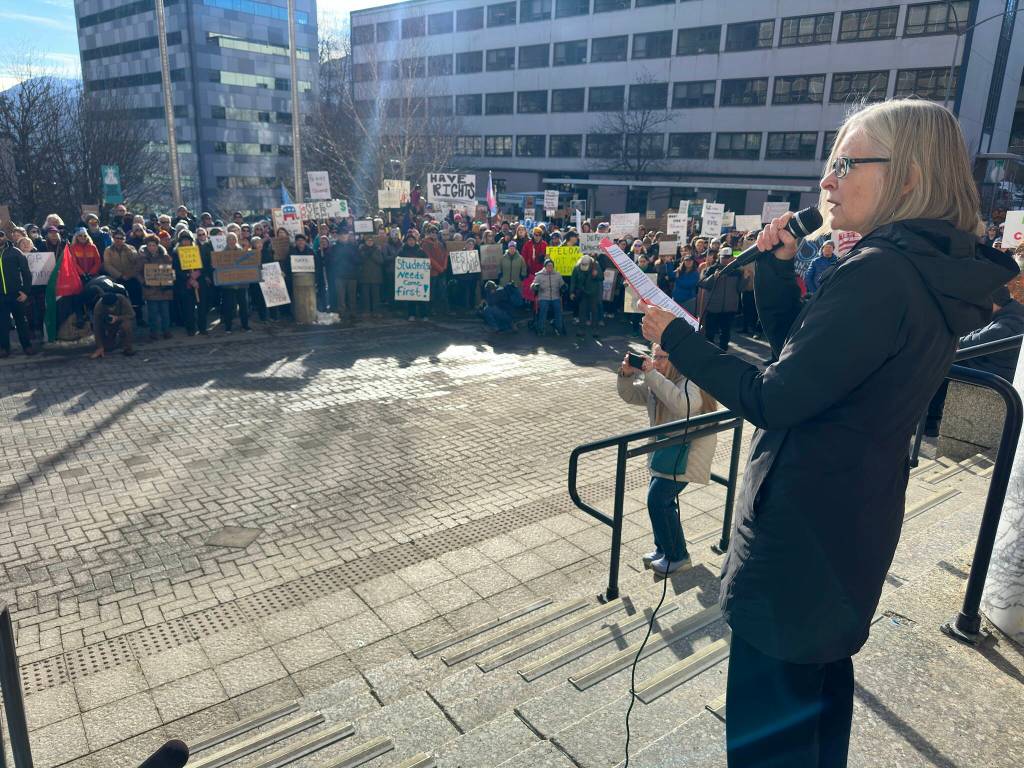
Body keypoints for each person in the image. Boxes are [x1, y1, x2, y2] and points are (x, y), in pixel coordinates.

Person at [640, 99, 1017, 767]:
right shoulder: (924, 267)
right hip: (851, 524)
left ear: (906, 175)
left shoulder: (878, 272)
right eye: (830, 165)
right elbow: (813, 371)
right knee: (814, 713)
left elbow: (775, 397)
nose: (827, 182)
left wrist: (680, 339)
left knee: (770, 736)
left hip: (800, 542)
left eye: (847, 163)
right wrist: (780, 273)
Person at [617, 345, 717, 574]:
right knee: (662, 501)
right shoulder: (660, 379)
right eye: (654, 356)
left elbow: (682, 406)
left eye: (662, 357)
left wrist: (651, 374)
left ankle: (678, 556)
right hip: (668, 450)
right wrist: (625, 374)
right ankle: (664, 548)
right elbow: (631, 395)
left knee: (658, 500)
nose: (657, 361)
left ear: (677, 360)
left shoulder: (690, 381)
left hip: (688, 452)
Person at [925, 285, 1024, 436]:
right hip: (993, 366)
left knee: (946, 365)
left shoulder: (1008, 324)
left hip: (999, 375)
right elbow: (975, 334)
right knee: (949, 362)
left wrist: (950, 340)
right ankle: (929, 421)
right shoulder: (1009, 314)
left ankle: (929, 423)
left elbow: (972, 341)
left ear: (993, 303)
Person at [698, 246, 742, 350]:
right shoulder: (711, 269)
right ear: (719, 257)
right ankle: (709, 352)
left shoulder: (737, 271)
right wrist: (713, 277)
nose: (726, 260)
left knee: (725, 333)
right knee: (710, 333)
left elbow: (740, 288)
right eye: (724, 257)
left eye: (728, 257)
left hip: (729, 308)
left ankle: (723, 352)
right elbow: (702, 284)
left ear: (732, 258)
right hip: (713, 307)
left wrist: (746, 277)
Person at [0, 231, 35, 357]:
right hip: (0, 295)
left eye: (1, 235)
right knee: (2, 323)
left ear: (5, 237)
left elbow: (26, 273)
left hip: (16, 293)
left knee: (21, 321)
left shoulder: (15, 252)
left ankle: (27, 345)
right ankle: (4, 348)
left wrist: (25, 291)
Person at [103, 228, 143, 319]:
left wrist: (128, 251)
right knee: (119, 298)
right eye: (117, 238)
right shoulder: (108, 250)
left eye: (121, 238)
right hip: (116, 278)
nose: (119, 240)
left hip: (130, 277)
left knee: (136, 296)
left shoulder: (131, 248)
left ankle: (139, 318)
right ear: (113, 238)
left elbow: (136, 262)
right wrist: (120, 275)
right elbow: (108, 265)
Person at [141, 234, 174, 340]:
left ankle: (166, 331)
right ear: (146, 246)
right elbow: (137, 272)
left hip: (163, 289)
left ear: (157, 245)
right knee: (152, 312)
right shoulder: (142, 257)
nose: (152, 247)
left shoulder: (165, 256)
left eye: (153, 245)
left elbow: (170, 269)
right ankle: (154, 332)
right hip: (150, 290)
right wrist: (143, 281)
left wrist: (169, 282)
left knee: (165, 312)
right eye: (149, 245)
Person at [219, 233, 252, 333]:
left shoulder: (242, 252)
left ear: (236, 240)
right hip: (228, 285)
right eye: (229, 239)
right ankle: (228, 327)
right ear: (226, 241)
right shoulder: (221, 254)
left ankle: (245, 325)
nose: (231, 241)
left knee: (244, 306)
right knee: (228, 307)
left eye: (233, 239)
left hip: (242, 284)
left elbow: (248, 265)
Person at [90, 291, 135, 358]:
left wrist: (117, 318)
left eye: (112, 306)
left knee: (126, 326)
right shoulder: (98, 307)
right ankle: (111, 339)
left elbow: (131, 315)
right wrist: (100, 347)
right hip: (107, 324)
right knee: (108, 347)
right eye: (108, 307)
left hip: (122, 321)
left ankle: (128, 348)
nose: (110, 309)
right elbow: (97, 327)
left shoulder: (122, 299)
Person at [398, 231, 429, 321]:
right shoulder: (402, 251)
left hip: (420, 279)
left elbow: (426, 261)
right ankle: (411, 314)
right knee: (411, 298)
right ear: (406, 241)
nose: (411, 242)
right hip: (408, 279)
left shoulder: (421, 251)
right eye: (409, 240)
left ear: (415, 241)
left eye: (412, 240)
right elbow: (398, 261)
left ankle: (424, 315)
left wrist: (428, 266)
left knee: (422, 297)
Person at [530, 258, 566, 336]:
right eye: (548, 266)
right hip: (543, 297)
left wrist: (564, 287)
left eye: (551, 266)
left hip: (555, 296)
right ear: (545, 267)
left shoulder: (557, 275)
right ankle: (541, 329)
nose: (550, 267)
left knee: (558, 311)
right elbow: (532, 286)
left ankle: (559, 328)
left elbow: (562, 284)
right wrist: (535, 286)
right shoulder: (539, 275)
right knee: (543, 312)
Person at [571, 254, 603, 329]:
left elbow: (601, 278)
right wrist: (571, 292)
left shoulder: (596, 265)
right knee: (582, 309)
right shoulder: (577, 267)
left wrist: (596, 275)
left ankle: (595, 326)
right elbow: (573, 280)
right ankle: (582, 326)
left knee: (594, 309)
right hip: (582, 292)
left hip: (594, 292)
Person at [358, 233, 384, 316]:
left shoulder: (377, 249)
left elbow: (381, 261)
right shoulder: (362, 249)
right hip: (365, 276)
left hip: (376, 276)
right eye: (368, 240)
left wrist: (372, 255)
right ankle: (366, 311)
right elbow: (360, 260)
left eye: (371, 240)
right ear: (365, 241)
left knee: (376, 296)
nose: (369, 242)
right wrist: (366, 254)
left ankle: (376, 311)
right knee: (365, 296)